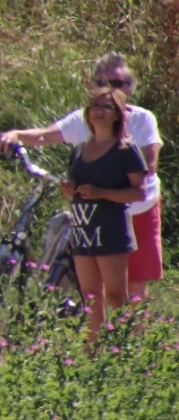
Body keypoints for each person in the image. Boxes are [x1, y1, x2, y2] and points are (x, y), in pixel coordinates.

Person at [0, 52, 163, 300]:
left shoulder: (143, 119)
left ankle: (130, 337)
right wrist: (17, 134)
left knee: (134, 285)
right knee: (96, 289)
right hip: (97, 213)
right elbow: (45, 136)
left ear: (129, 88)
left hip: (139, 209)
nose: (109, 90)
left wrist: (102, 187)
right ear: (92, 86)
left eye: (116, 84)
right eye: (102, 83)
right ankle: (100, 336)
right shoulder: (85, 119)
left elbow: (150, 166)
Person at [59, 88, 148, 346]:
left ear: (118, 115)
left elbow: (139, 192)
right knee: (90, 297)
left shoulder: (125, 150)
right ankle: (92, 355)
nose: (98, 111)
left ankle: (123, 350)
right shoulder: (79, 150)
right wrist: (68, 191)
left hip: (111, 230)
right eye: (95, 105)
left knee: (117, 296)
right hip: (82, 229)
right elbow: (74, 188)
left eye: (106, 107)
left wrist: (101, 192)